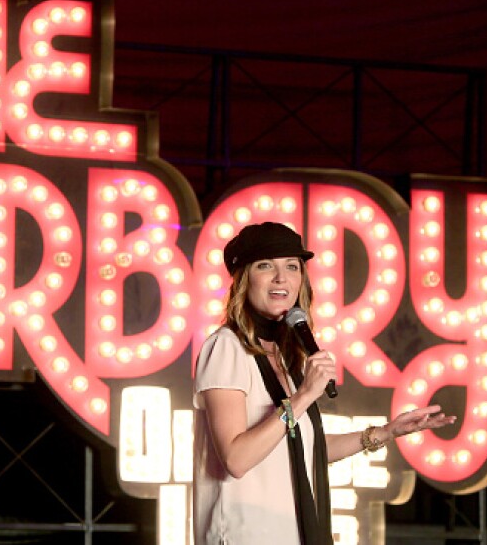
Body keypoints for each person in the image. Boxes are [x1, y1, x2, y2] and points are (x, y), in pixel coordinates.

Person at [192, 222, 457, 545]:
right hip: (244, 535)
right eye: (266, 266)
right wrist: (304, 396)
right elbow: (236, 458)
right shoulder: (226, 347)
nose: (281, 277)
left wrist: (385, 432)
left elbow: (304, 447)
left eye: (292, 266)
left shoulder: (284, 356)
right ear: (245, 279)